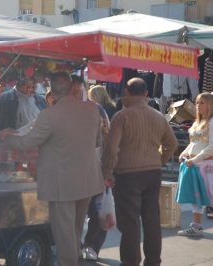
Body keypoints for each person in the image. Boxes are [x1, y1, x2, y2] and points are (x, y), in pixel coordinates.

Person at [0, 72, 105, 266]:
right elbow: (98, 141)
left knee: (63, 232)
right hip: (88, 179)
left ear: (53, 91)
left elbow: (27, 142)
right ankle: (74, 259)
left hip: (61, 183)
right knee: (75, 228)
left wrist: (7, 137)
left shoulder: (49, 114)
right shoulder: (92, 110)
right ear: (72, 88)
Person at [101, 77, 178, 266]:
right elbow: (172, 144)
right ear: (146, 94)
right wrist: (158, 160)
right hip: (152, 172)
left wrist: (106, 172)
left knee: (130, 222)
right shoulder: (158, 116)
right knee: (152, 220)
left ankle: (130, 261)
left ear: (126, 93)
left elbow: (111, 149)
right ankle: (153, 262)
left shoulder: (121, 116)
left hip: (127, 174)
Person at [71, 75, 109, 261]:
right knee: (71, 212)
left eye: (76, 89)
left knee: (96, 210)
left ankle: (92, 245)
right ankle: (74, 245)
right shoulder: (62, 109)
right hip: (70, 170)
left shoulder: (97, 109)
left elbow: (107, 138)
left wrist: (107, 169)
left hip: (95, 167)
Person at [178, 93, 213, 235]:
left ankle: (197, 225)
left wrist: (195, 159)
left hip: (205, 165)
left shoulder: (211, 122)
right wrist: (184, 153)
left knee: (210, 194)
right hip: (194, 165)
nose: (198, 105)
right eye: (197, 102)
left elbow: (211, 146)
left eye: (202, 103)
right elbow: (193, 143)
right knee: (196, 196)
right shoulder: (197, 123)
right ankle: (196, 226)